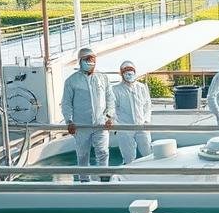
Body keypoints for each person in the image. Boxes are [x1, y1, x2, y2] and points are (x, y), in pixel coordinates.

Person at [61, 47, 114, 182]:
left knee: (103, 153)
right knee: (83, 155)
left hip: (100, 123)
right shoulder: (71, 81)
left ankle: (104, 181)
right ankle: (84, 182)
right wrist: (69, 121)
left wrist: (109, 116)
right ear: (80, 61)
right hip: (81, 125)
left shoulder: (103, 78)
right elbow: (66, 103)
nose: (90, 62)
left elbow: (110, 98)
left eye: (92, 59)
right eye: (87, 60)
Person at [112, 59, 152, 164]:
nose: (129, 73)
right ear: (121, 73)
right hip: (125, 128)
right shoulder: (115, 89)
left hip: (141, 126)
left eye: (131, 70)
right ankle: (128, 178)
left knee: (148, 153)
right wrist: (117, 125)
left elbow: (147, 105)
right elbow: (112, 109)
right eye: (126, 71)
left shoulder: (142, 87)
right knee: (128, 157)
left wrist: (146, 121)